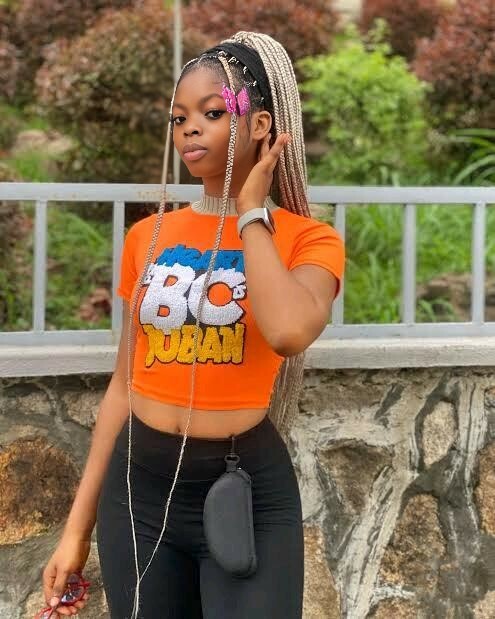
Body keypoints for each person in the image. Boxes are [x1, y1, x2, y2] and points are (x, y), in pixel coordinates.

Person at [40, 31, 345, 619]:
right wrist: (76, 531)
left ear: (260, 125)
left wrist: (251, 214)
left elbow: (288, 331)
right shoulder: (148, 236)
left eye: (212, 113)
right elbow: (124, 387)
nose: (190, 130)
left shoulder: (309, 240)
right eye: (179, 118)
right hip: (138, 491)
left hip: (244, 491)